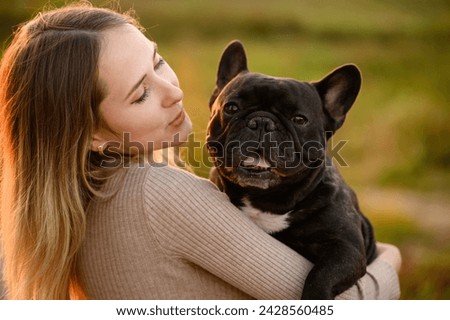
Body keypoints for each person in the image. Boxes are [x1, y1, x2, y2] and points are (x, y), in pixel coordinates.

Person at [0, 2, 401, 300]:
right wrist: (391, 257)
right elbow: (347, 304)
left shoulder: (85, 199)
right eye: (141, 93)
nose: (174, 91)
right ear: (91, 135)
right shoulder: (159, 195)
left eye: (159, 63)